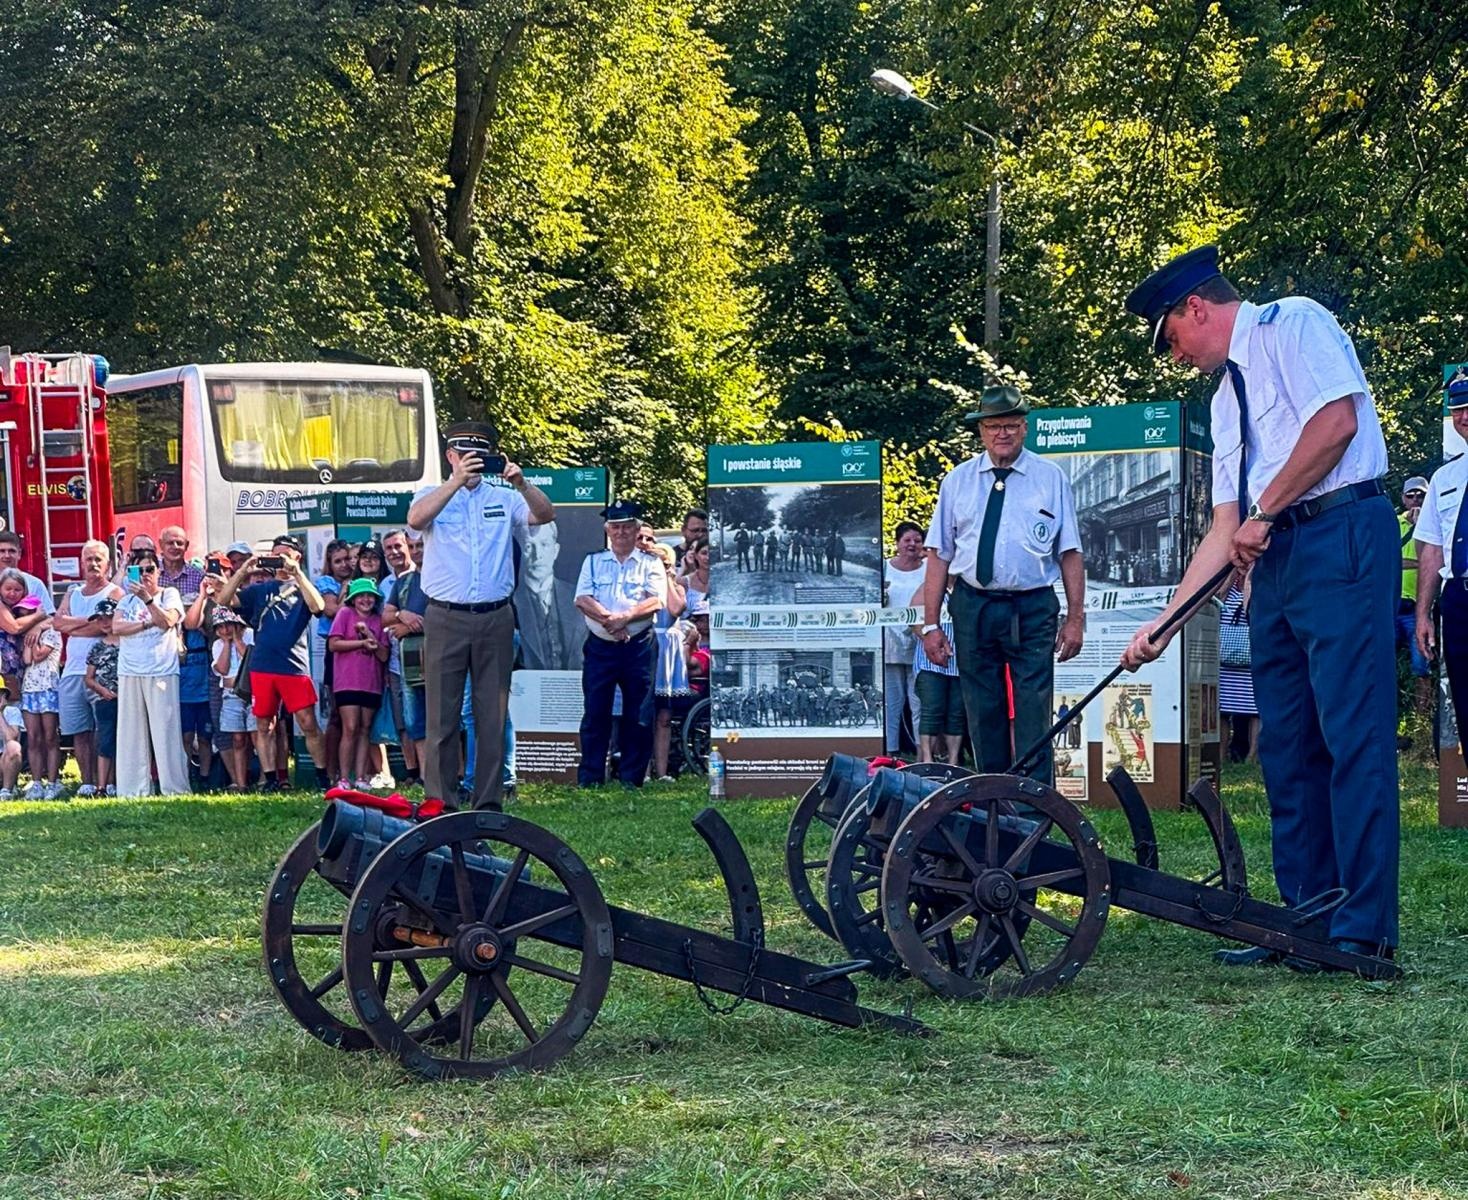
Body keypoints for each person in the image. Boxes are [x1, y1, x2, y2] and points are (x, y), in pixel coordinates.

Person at [1121, 243, 1398, 968]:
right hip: (1271, 556)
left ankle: (1362, 930)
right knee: (1286, 745)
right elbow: (1223, 529)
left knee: (1351, 734)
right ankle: (1304, 918)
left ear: (1196, 308)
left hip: (1340, 534)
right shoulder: (1220, 402)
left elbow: (1336, 423)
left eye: (1172, 338)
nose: (1175, 355)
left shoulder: (1293, 323)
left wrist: (1266, 512)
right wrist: (1164, 624)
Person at [922, 385, 1085, 785]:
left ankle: (1033, 804)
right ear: (981, 431)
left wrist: (1076, 618)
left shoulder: (1050, 478)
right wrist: (930, 625)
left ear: (1024, 428)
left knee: (1033, 704)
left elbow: (1070, 552)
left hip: (1033, 607)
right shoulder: (957, 481)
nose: (1003, 434)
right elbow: (939, 554)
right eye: (994, 426)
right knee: (982, 705)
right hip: (973, 603)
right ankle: (992, 796)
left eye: (1011, 425)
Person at [407, 420, 554, 810]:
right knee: (442, 717)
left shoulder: (504, 497)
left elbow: (545, 514)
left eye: (480, 457)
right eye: (464, 456)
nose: (472, 464)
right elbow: (416, 520)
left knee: (492, 715)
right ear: (451, 456)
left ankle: (487, 803)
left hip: (495, 617)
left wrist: (521, 482)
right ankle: (441, 803)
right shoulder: (432, 492)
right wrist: (454, 482)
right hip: (444, 616)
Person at [215, 535, 332, 792]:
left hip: (294, 666)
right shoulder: (259, 589)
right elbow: (223, 601)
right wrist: (244, 571)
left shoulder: (303, 587)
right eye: (275, 554)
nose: (279, 559)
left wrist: (297, 574)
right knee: (263, 723)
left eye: (285, 554)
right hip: (262, 666)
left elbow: (319, 607)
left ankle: (323, 777)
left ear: (296, 556)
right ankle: (270, 779)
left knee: (307, 722)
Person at [574, 500, 667, 787]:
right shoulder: (593, 561)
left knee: (638, 713)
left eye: (628, 526)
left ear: (637, 530)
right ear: (607, 529)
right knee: (595, 712)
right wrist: (611, 622)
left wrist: (624, 618)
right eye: (616, 527)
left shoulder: (651, 563)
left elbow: (656, 600)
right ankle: (590, 779)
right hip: (601, 646)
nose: (621, 532)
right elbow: (582, 598)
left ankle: (632, 779)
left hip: (638, 646)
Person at [113, 548, 192, 797]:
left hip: (161, 669)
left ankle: (174, 788)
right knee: (130, 731)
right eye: (139, 570)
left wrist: (148, 600)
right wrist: (146, 622)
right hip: (130, 668)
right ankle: (132, 790)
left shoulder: (169, 594)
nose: (145, 574)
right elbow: (117, 626)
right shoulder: (125, 600)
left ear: (158, 571)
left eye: (150, 569)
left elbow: (168, 621)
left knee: (166, 730)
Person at [1414, 373, 1468, 722]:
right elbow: (1432, 550)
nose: (1464, 417)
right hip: (1458, 598)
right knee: (1464, 701)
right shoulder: (1444, 478)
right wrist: (1423, 613)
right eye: (1457, 410)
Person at [54, 539, 121, 798]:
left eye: (98, 559)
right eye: (88, 559)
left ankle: (109, 781)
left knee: (104, 729)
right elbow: (58, 624)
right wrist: (89, 620)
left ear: (107, 564)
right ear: (81, 563)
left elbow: (106, 627)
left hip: (103, 674)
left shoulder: (115, 593)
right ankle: (87, 782)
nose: (93, 564)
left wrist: (75, 624)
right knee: (79, 731)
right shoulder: (73, 592)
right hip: (71, 671)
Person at [328, 577, 390, 789]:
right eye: (361, 596)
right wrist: (361, 642)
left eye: (369, 595)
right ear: (353, 599)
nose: (365, 600)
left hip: (372, 683)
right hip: (347, 682)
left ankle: (361, 777)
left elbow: (383, 655)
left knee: (365, 729)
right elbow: (333, 644)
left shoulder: (379, 620)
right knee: (350, 727)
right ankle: (344, 777)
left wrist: (370, 637)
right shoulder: (345, 614)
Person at [379, 529, 421, 786]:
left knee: (426, 719)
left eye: (399, 546)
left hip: (426, 659)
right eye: (389, 549)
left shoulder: (428, 575)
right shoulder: (386, 584)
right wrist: (401, 616)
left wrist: (403, 619)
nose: (395, 552)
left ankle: (442, 773)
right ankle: (412, 772)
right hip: (395, 662)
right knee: (404, 721)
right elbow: (384, 618)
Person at [647, 541, 690, 781]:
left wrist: (667, 578)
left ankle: (662, 772)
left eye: (665, 562)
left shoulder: (678, 586)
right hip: (649, 645)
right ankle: (641, 771)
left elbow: (676, 608)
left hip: (669, 652)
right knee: (644, 714)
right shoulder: (644, 583)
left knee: (664, 717)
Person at [883, 521, 926, 753]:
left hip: (920, 642)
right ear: (897, 543)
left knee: (918, 701)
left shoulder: (929, 568)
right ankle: (889, 752)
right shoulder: (883, 568)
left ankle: (922, 752)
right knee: (892, 702)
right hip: (890, 642)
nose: (912, 545)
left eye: (917, 540)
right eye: (907, 540)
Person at [1395, 475, 1432, 716]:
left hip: (1418, 608)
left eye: (1421, 495)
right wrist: (1420, 564)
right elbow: (1385, 561)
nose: (1416, 499)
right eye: (1411, 495)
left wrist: (1421, 527)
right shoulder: (1393, 522)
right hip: (1391, 606)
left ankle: (1421, 719)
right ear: (1403, 498)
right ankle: (1391, 717)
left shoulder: (1432, 523)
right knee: (1380, 663)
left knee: (1421, 666)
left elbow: (1436, 562)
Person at [210, 607, 256, 793]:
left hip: (253, 691)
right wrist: (227, 644)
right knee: (237, 738)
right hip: (230, 694)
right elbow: (222, 669)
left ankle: (264, 778)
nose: (225, 630)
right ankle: (240, 782)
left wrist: (237, 640)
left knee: (256, 734)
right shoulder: (217, 645)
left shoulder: (250, 635)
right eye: (219, 627)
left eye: (228, 625)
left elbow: (251, 659)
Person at [83, 599, 120, 796]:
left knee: (127, 741)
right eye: (100, 619)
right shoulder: (97, 647)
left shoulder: (130, 642)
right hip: (105, 700)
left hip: (129, 699)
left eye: (109, 617)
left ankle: (123, 781)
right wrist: (102, 691)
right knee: (105, 741)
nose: (105, 622)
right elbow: (88, 678)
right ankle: (102, 786)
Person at [1217, 580, 1258, 762]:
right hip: (1225, 660)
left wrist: (1250, 580)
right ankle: (1222, 753)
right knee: (1223, 709)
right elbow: (1218, 597)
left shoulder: (1258, 584)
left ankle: (1252, 756)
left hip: (1251, 658)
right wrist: (1231, 572)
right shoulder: (1228, 588)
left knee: (1255, 710)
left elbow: (1250, 608)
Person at [0, 531, 56, 613]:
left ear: (19, 553)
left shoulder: (35, 583)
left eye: (12, 551)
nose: (7, 555)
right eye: (2, 551)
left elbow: (49, 616)